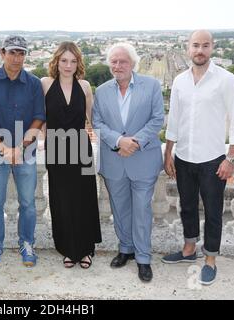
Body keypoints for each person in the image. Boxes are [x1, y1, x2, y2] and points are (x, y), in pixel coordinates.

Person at [162, 30, 234, 285]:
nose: (200, 50)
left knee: (213, 212)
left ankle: (210, 259)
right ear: (188, 48)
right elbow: (174, 120)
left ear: (212, 48)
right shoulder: (180, 81)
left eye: (205, 46)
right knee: (186, 206)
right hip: (184, 157)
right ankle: (189, 250)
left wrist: (230, 159)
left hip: (212, 159)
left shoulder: (226, 79)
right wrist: (168, 152)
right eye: (195, 45)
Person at [92, 43, 164, 282]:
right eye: (113, 61)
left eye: (122, 61)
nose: (117, 66)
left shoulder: (151, 85)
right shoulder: (101, 91)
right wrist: (119, 141)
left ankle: (143, 258)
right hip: (114, 160)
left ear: (133, 63)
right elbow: (98, 123)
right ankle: (126, 249)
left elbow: (157, 120)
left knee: (142, 210)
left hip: (142, 158)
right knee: (120, 209)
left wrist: (134, 142)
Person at [0, 35, 45, 267]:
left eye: (22, 53)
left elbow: (39, 118)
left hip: (26, 151)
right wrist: (3, 146)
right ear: (2, 53)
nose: (17, 58)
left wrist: (20, 147)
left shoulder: (34, 83)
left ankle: (27, 244)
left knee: (28, 202)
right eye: (13, 52)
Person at [41, 41, 101, 269]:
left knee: (83, 199)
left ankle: (85, 250)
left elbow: (93, 120)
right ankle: (68, 249)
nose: (68, 65)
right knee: (61, 200)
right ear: (57, 61)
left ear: (79, 63)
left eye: (73, 61)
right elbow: (41, 117)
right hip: (56, 148)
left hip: (80, 149)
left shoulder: (85, 86)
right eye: (64, 60)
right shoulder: (45, 84)